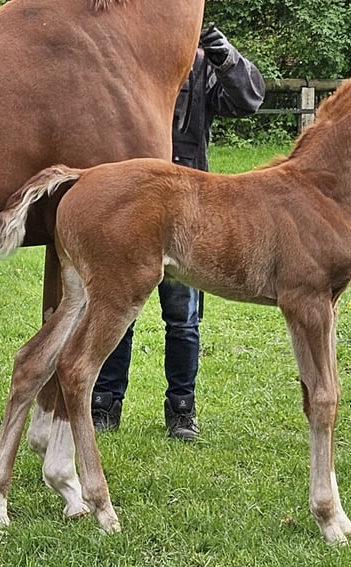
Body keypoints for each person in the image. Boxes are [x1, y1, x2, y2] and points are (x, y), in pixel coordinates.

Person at [90, 25, 265, 440]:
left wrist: (225, 56)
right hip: (137, 209)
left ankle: (182, 412)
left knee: (183, 320)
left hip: (189, 213)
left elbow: (249, 100)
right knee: (120, 311)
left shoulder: (201, 67)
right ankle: (104, 404)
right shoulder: (131, 67)